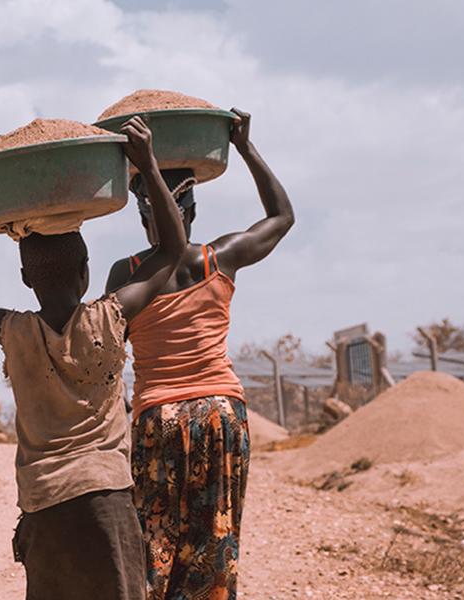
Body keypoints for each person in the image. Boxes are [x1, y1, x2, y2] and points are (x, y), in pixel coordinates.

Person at [0, 117, 187, 600]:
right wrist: (148, 165)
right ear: (87, 271)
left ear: (26, 278)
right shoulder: (111, 317)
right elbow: (172, 251)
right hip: (107, 500)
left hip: (45, 505)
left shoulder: (15, 332)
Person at [104, 108, 294, 600]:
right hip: (221, 415)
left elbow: (106, 358)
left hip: (158, 418)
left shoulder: (125, 276)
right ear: (191, 212)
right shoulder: (221, 258)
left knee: (153, 549)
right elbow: (282, 217)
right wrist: (246, 147)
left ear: (146, 214)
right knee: (214, 547)